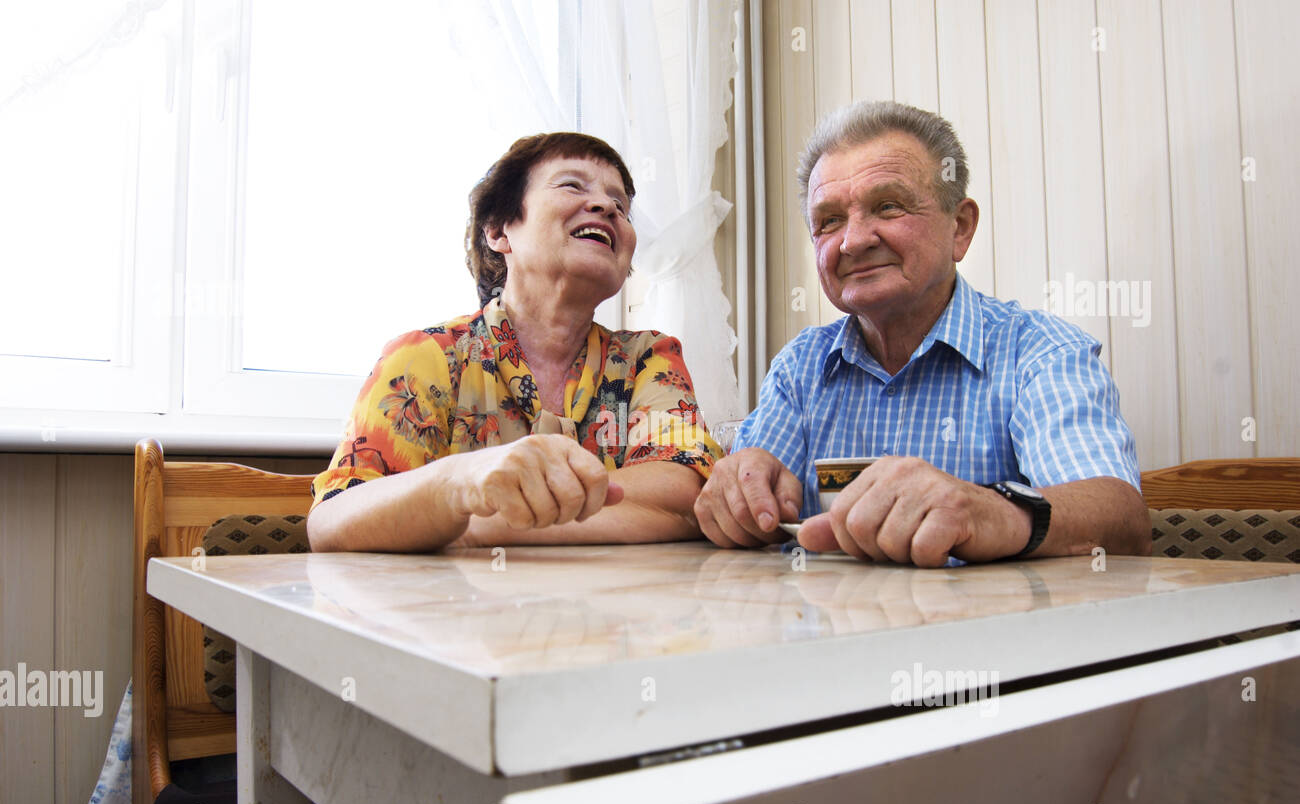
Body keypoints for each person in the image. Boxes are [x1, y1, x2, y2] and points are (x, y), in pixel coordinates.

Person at [695, 101, 1151, 567]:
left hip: (992, 635)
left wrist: (985, 511)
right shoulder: (799, 367)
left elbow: (1119, 519)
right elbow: (745, 499)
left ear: (960, 227)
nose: (852, 241)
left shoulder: (1039, 351)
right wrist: (735, 496)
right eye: (829, 220)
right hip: (822, 633)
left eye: (888, 206)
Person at [308, 133, 721, 553]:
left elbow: (683, 496)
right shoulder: (426, 358)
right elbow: (334, 523)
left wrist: (465, 523)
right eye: (572, 185)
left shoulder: (649, 358)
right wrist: (459, 481)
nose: (607, 207)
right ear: (498, 231)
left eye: (621, 205)